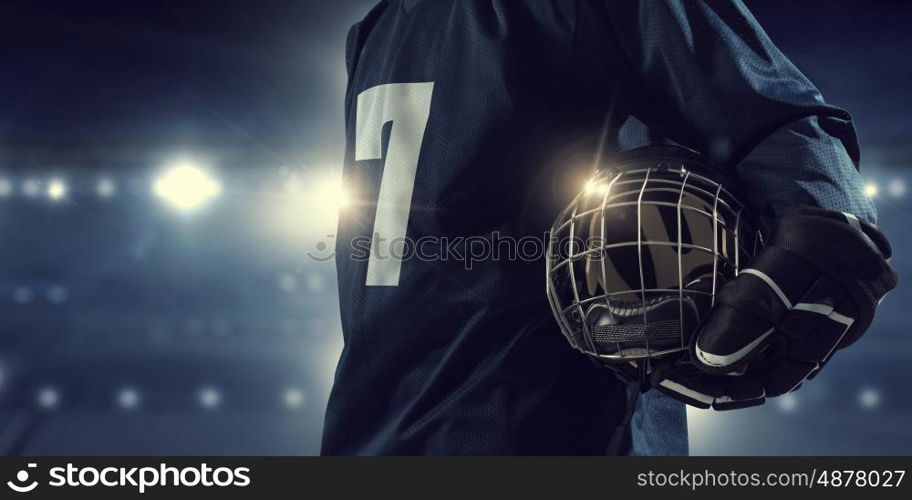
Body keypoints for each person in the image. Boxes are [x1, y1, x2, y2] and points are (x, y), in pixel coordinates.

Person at [322, 0, 878, 455]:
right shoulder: (373, 28)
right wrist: (827, 228)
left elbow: (778, 126)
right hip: (531, 433)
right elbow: (783, 123)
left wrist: (824, 221)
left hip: (377, 436)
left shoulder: (377, 25)